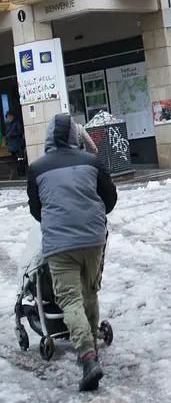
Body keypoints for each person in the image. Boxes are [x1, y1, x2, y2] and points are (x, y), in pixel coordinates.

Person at [26, 113, 117, 392]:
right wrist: (91, 215)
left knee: (70, 300)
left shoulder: (37, 169)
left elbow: (35, 208)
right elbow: (110, 198)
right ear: (76, 136)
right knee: (89, 292)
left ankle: (88, 356)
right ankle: (93, 350)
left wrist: (58, 219)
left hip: (60, 245)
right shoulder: (92, 161)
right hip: (92, 240)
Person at [5, 112, 26, 176]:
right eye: (8, 116)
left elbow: (20, 132)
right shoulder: (7, 124)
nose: (9, 118)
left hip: (18, 144)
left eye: (10, 116)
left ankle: (22, 172)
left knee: (20, 158)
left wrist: (11, 135)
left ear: (13, 116)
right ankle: (18, 171)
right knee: (16, 159)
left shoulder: (17, 123)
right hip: (11, 145)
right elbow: (6, 133)